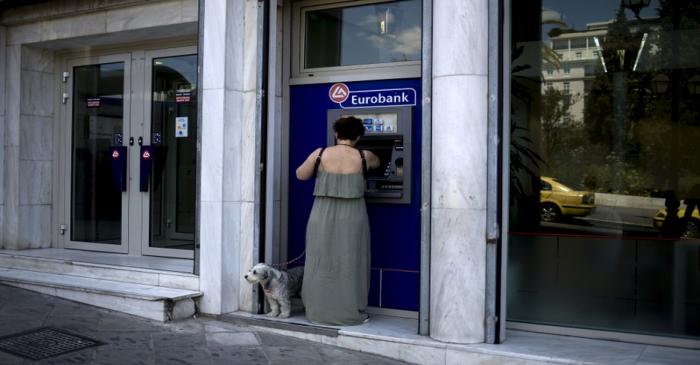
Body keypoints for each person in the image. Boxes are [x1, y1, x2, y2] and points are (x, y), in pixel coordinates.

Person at [295, 116, 380, 326]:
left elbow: (300, 175)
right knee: (352, 261)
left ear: (336, 134)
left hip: (322, 214)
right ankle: (350, 311)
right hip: (353, 216)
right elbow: (378, 164)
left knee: (319, 261)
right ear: (358, 136)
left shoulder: (320, 153)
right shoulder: (365, 156)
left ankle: (318, 310)